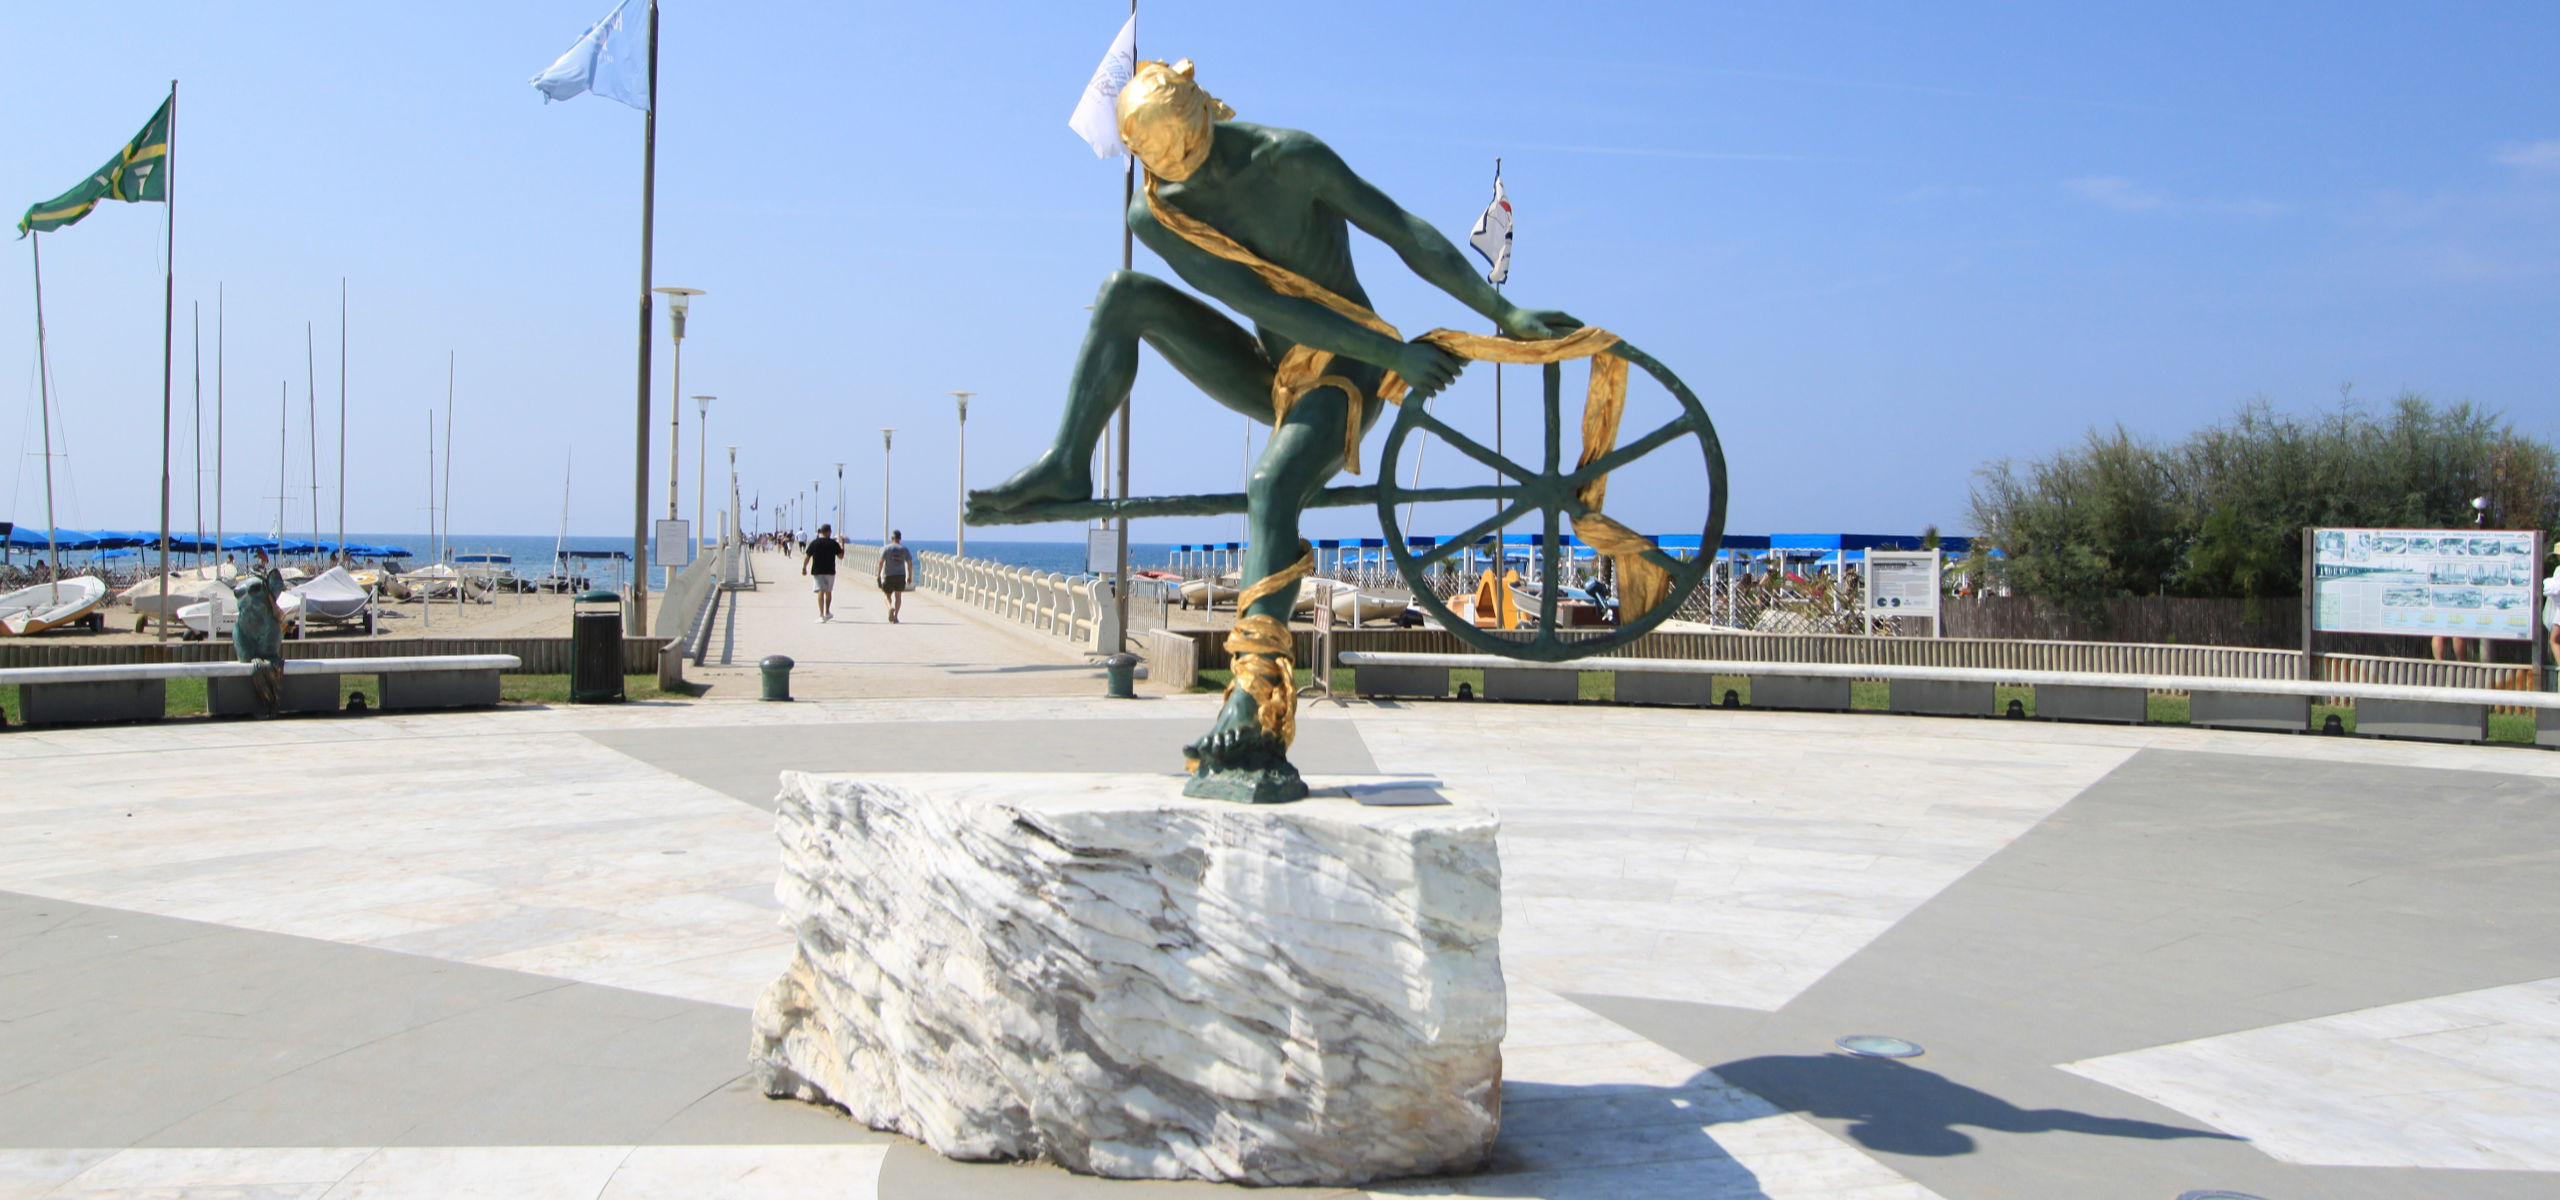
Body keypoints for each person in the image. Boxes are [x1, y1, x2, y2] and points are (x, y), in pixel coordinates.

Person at [967, 59, 1576, 798]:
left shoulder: (1291, 157)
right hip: (1275, 367)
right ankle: (1068, 461)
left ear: (1206, 114)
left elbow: (1404, 231)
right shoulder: (1157, 212)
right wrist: (1400, 354)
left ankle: (1253, 690)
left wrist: (1500, 315)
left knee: (1272, 483)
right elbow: (1256, 298)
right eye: (1161, 164)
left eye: (1191, 151)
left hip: (1347, 368)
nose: (1185, 174)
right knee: (1122, 295)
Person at [801, 524, 844, 623]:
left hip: (817, 571)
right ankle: (827, 612)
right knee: (828, 591)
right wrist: (843, 545)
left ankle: (821, 615)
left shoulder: (815, 543)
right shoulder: (833, 543)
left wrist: (804, 568)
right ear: (828, 531)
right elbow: (841, 556)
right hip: (830, 571)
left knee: (820, 591)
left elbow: (807, 556)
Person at [877, 530, 914, 623]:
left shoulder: (886, 548)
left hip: (889, 575)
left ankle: (890, 607)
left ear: (892, 538)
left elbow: (881, 562)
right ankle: (896, 616)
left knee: (887, 595)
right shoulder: (904, 549)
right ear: (900, 538)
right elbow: (910, 564)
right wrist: (910, 576)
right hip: (901, 575)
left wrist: (878, 575)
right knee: (898, 596)